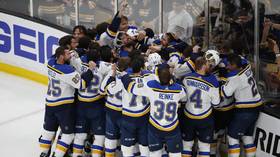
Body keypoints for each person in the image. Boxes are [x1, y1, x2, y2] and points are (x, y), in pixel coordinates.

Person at [38, 46, 96, 157]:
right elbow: (81, 85)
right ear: (61, 56)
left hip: (50, 103)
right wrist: (91, 70)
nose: (70, 55)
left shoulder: (50, 63)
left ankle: (43, 154)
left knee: (48, 133)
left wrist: (70, 53)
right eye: (67, 54)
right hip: (63, 107)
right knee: (68, 135)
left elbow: (53, 56)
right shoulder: (67, 71)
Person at [121, 63, 187, 157]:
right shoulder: (179, 89)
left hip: (155, 127)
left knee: (155, 154)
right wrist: (173, 80)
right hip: (172, 127)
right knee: (175, 154)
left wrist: (124, 76)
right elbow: (184, 97)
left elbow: (130, 87)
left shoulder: (151, 86)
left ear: (158, 77)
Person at [221, 54, 263, 157]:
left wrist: (222, 81)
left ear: (234, 65)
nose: (227, 67)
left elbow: (225, 94)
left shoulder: (234, 78)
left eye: (229, 65)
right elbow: (242, 59)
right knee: (247, 137)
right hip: (256, 108)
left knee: (232, 138)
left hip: (244, 111)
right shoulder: (247, 67)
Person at [181, 57, 220, 157]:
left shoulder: (187, 78)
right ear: (203, 66)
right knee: (204, 147)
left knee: (186, 145)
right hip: (205, 118)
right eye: (207, 64)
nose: (209, 66)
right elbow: (216, 103)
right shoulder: (213, 81)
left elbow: (183, 99)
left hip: (188, 116)